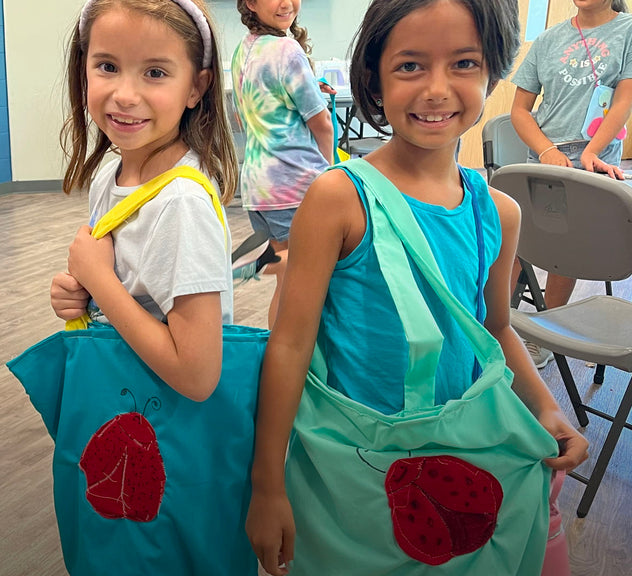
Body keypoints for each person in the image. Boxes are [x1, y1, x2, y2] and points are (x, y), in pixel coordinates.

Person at [246, 1, 590, 574]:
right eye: (409, 66)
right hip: (351, 468)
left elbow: (496, 327)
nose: (436, 89)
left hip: (458, 458)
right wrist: (267, 483)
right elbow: (288, 344)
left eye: (463, 63)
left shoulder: (498, 214)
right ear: (374, 81)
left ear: (492, 72)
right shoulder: (338, 200)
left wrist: (548, 410)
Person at [50, 0, 238, 401]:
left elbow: (197, 376)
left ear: (196, 88)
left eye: (154, 73)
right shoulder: (109, 176)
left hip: (168, 427)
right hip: (126, 399)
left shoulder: (181, 202)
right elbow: (128, 290)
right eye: (107, 66)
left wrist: (99, 280)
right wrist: (82, 292)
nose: (125, 94)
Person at [511, 0, 632, 368]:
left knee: (564, 248)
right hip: (545, 160)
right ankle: (494, 323)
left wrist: (592, 152)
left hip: (594, 163)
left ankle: (545, 334)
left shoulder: (626, 31)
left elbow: (625, 97)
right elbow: (519, 110)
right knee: (515, 242)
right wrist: (546, 150)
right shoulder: (548, 39)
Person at [230, 0, 334, 327]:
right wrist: (329, 176)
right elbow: (323, 125)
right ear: (250, 3)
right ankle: (238, 266)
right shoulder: (287, 50)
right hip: (294, 184)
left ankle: (279, 352)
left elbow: (246, 113)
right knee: (309, 271)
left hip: (258, 188)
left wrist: (312, 88)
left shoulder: (243, 49)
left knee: (288, 283)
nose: (286, 2)